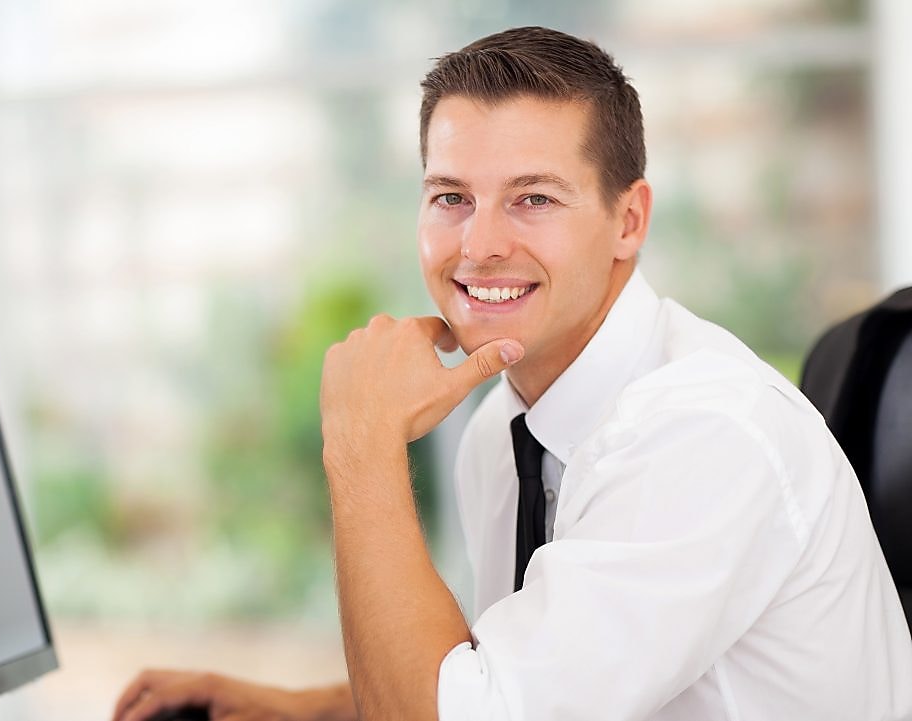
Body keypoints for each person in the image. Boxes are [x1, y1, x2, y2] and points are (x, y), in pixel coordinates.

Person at [111, 26, 912, 721]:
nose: (480, 244)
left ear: (628, 219)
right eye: (451, 196)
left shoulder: (702, 434)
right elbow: (502, 681)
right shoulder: (504, 430)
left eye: (532, 199)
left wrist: (361, 444)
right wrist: (296, 705)